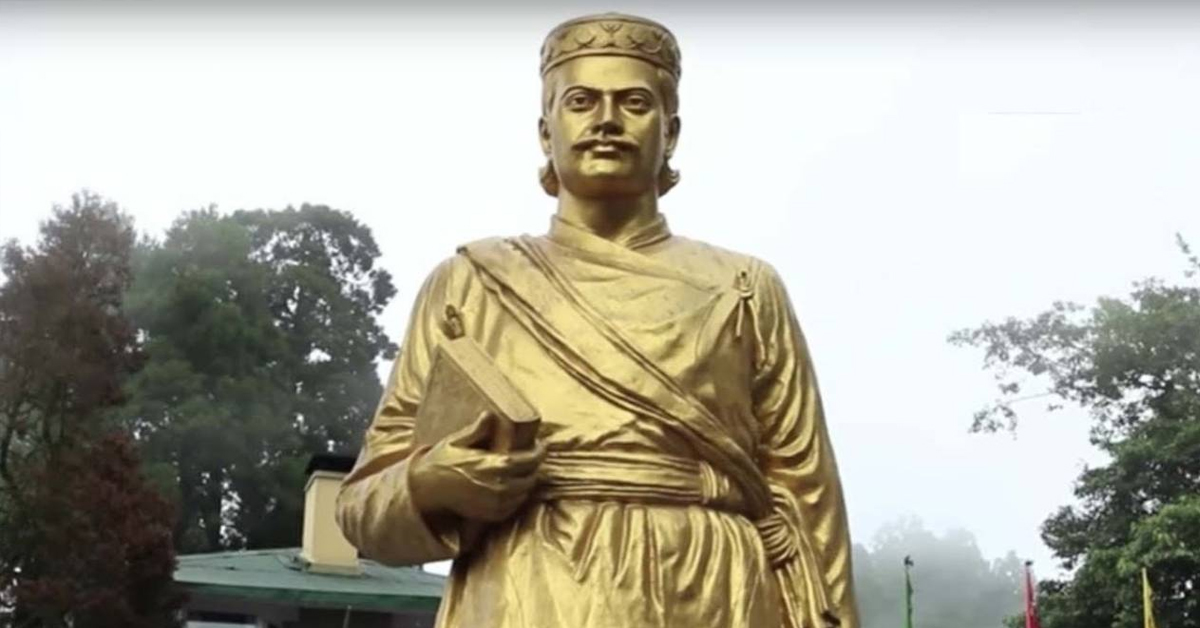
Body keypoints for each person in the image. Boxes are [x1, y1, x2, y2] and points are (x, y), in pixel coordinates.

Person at [337, 13, 860, 628]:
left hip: (712, 590)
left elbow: (807, 493)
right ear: (545, 131)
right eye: (581, 101)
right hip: (528, 584)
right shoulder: (470, 283)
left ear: (670, 132)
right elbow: (362, 506)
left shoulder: (746, 287)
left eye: (634, 103)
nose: (606, 120)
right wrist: (432, 482)